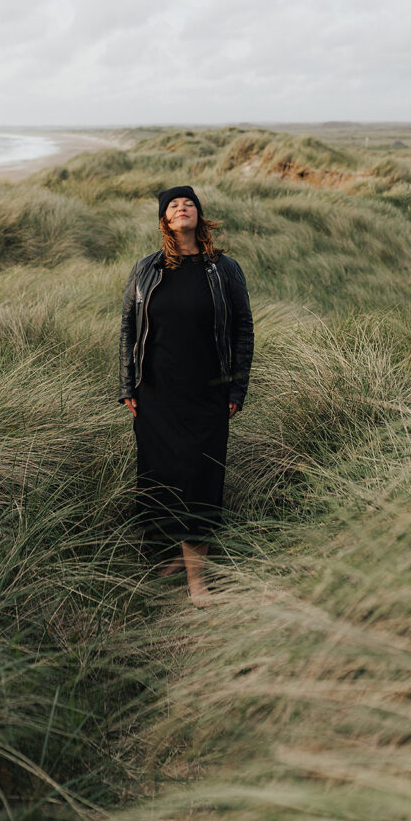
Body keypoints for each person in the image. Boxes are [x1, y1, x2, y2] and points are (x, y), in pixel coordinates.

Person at [118, 185, 254, 606]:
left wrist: (237, 386)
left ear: (200, 216)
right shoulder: (146, 269)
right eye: (173, 205)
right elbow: (128, 329)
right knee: (161, 477)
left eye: (189, 203)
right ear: (164, 219)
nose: (182, 208)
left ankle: (198, 582)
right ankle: (180, 557)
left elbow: (243, 329)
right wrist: (127, 384)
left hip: (207, 392)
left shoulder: (224, 268)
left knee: (200, 478)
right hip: (156, 393)